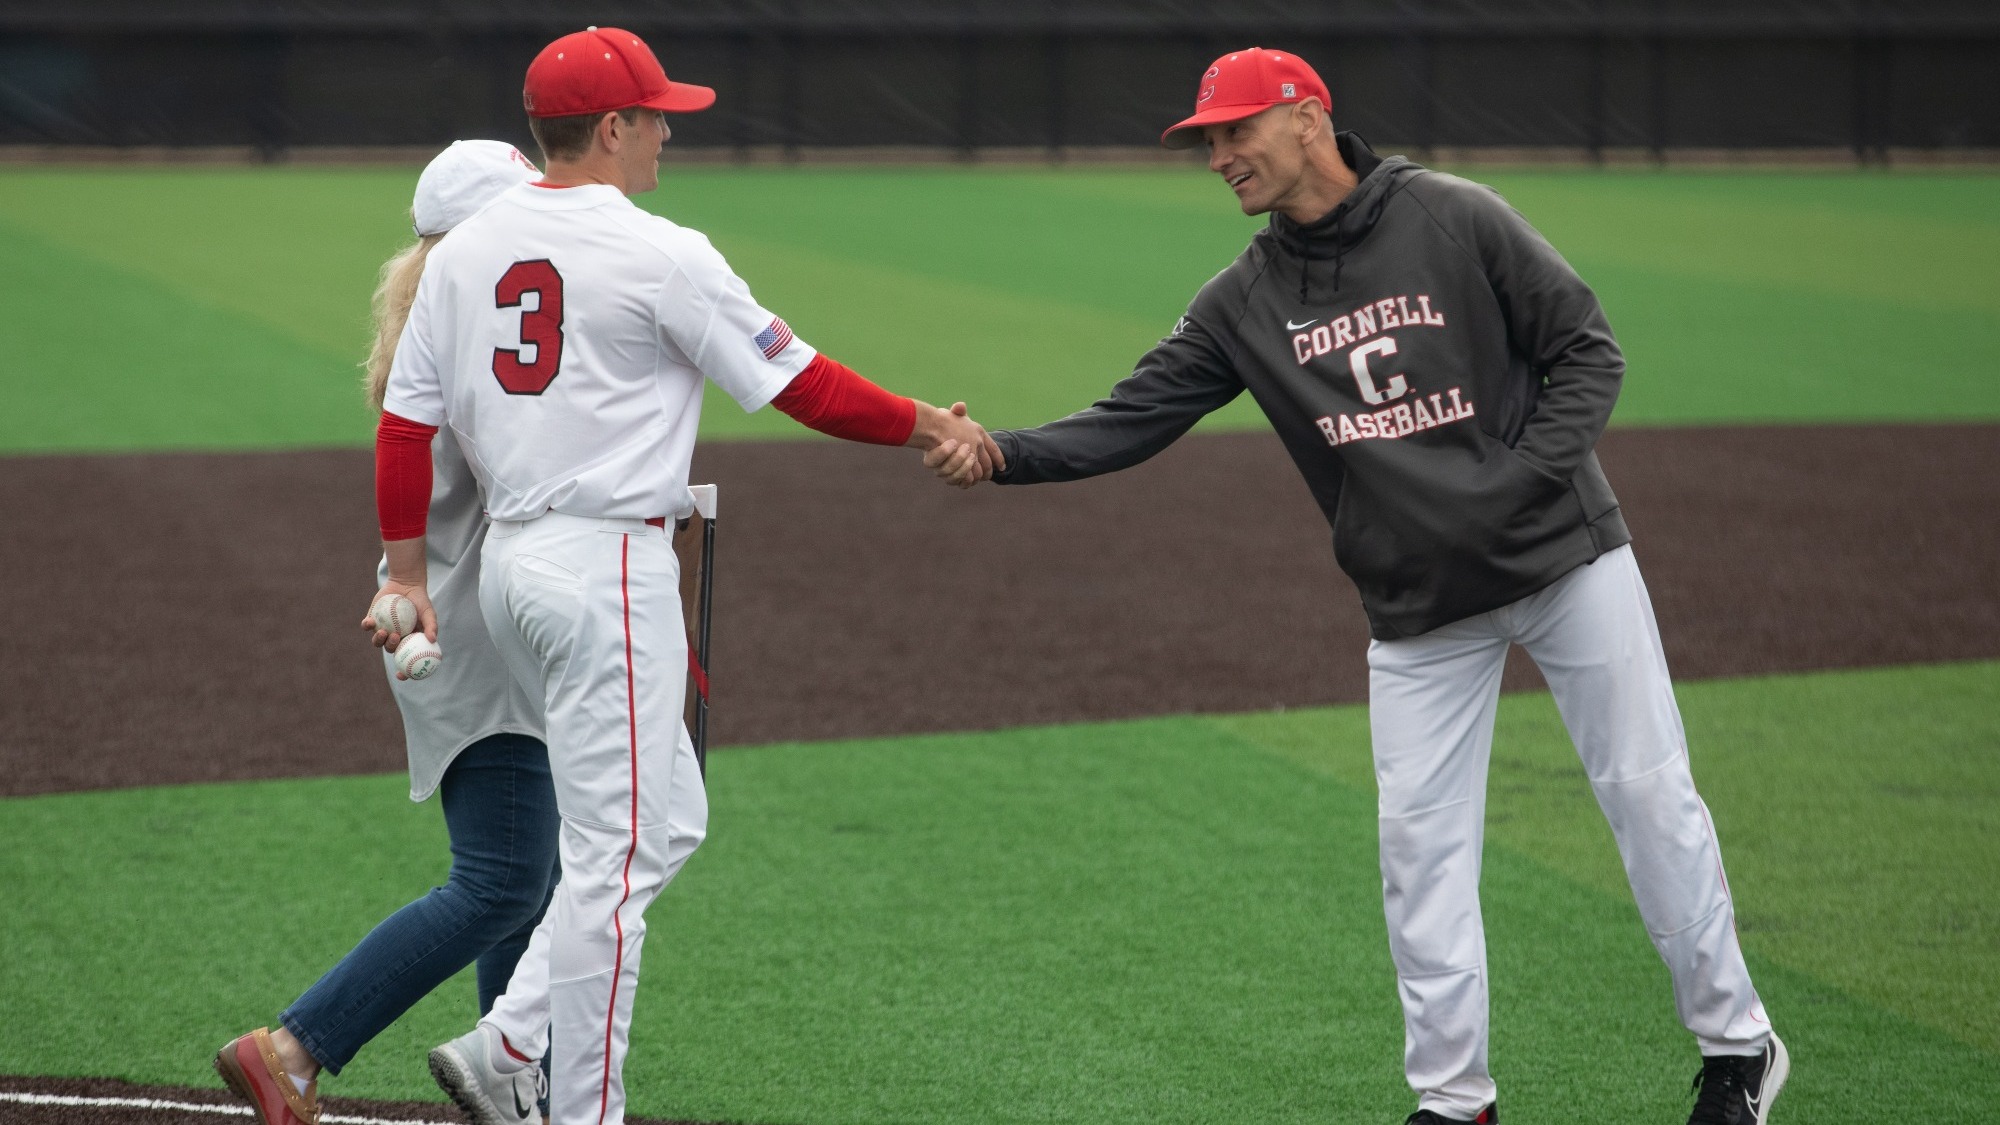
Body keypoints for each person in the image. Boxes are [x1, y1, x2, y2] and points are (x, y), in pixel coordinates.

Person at [931, 47, 1786, 1125]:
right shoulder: (1242, 300)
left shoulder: (1453, 216)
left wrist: (1513, 486)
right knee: (1419, 853)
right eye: (1206, 140)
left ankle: (1736, 1047)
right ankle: (1455, 1099)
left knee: (1647, 795)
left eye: (1236, 131)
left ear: (1307, 117)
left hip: (1564, 562)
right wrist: (1001, 453)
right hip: (1418, 604)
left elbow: (1586, 351)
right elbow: (1129, 417)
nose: (1218, 156)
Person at [370, 27, 997, 1125]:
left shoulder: (466, 252)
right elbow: (802, 384)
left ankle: (508, 1038)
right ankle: (579, 1106)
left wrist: (410, 574)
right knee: (612, 871)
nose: (668, 131)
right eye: (657, 114)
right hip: (607, 569)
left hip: (513, 571)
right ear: (610, 127)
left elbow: (402, 427)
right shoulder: (659, 250)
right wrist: (928, 426)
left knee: (667, 819)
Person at [214, 140, 560, 1125]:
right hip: (479, 645)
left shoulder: (439, 338)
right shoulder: (478, 355)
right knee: (502, 879)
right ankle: (292, 1048)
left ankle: (514, 1081)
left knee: (529, 878)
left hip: (473, 633)